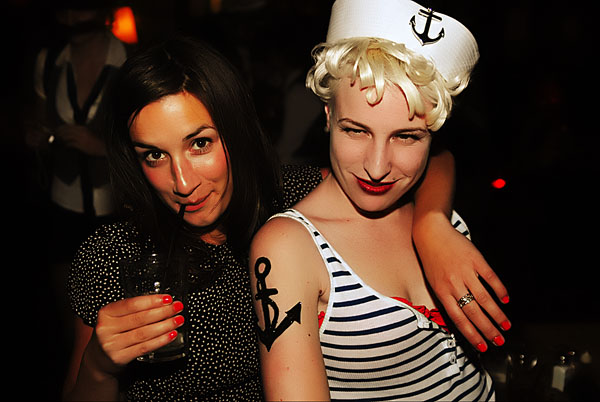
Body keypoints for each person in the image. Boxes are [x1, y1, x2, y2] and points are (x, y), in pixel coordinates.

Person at [64, 33, 506, 400]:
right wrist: (100, 367)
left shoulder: (288, 194)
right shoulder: (112, 255)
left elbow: (424, 160)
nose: (182, 182)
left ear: (235, 131)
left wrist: (431, 225)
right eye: (154, 155)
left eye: (200, 144)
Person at [249, 0, 502, 400]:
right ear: (327, 115)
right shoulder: (288, 246)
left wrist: (432, 223)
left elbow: (443, 160)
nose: (377, 167)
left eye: (406, 136)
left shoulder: (429, 199)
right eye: (356, 130)